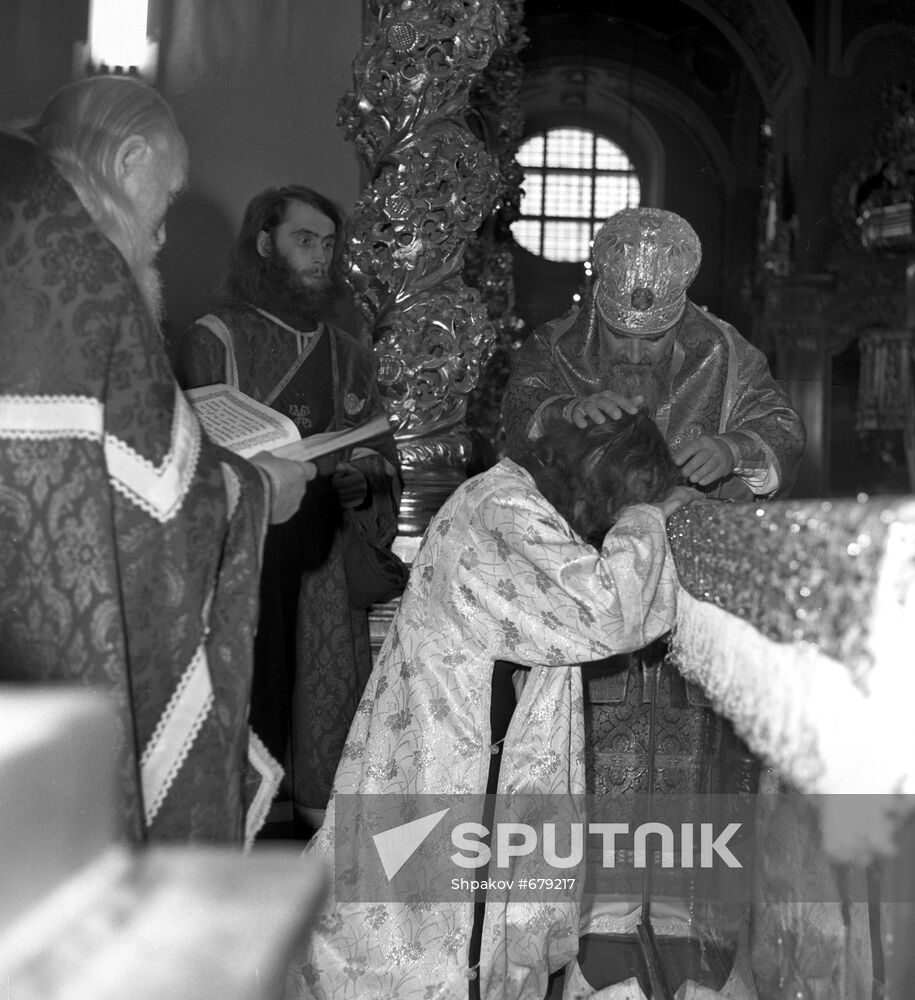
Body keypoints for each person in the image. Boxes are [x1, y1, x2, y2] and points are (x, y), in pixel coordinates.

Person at [288, 410, 698, 1000]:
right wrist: (648, 516)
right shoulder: (501, 507)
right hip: (454, 752)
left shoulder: (513, 497)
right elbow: (606, 612)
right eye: (615, 504)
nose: (601, 527)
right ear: (597, 475)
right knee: (428, 919)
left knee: (474, 906)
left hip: (481, 749)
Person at [0, 75, 315, 843]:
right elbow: (152, 502)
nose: (164, 234)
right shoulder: (82, 274)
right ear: (131, 159)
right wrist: (256, 486)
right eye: (166, 199)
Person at [174, 185, 402, 835]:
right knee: (251, 691)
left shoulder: (348, 352)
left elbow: (381, 455)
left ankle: (313, 825)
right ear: (263, 243)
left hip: (324, 554)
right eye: (304, 240)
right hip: (243, 552)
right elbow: (188, 456)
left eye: (329, 244)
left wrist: (363, 479)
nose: (320, 256)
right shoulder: (214, 340)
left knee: (317, 695)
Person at [502, 206, 806, 499]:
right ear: (599, 317)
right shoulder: (555, 345)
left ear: (679, 323)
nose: (634, 356)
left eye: (654, 338)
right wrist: (565, 412)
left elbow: (784, 429)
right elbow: (519, 403)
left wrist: (733, 450)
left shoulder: (723, 352)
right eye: (619, 335)